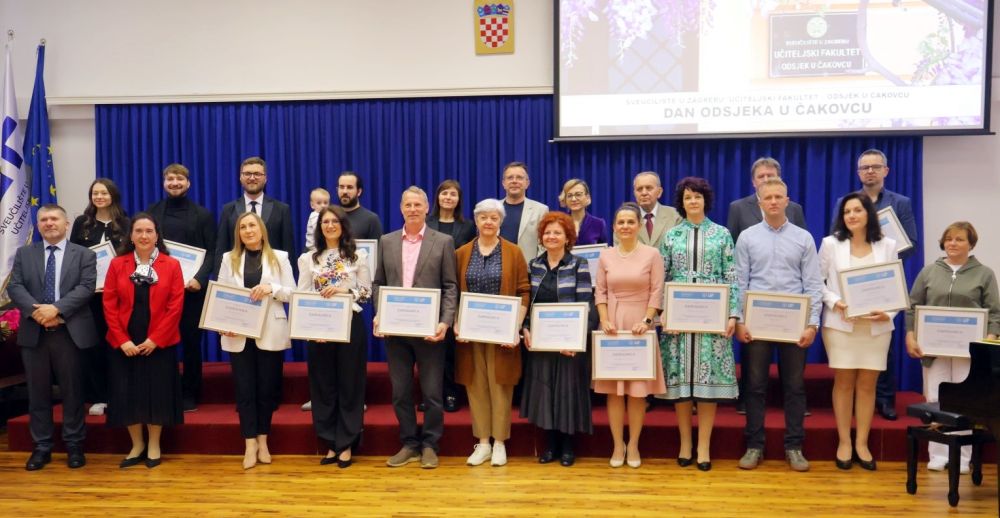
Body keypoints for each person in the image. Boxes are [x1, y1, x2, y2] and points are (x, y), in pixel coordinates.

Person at [734, 178, 823, 472]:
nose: (773, 201)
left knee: (794, 387)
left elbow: (813, 284)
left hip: (793, 324)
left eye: (778, 197)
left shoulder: (803, 238)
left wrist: (812, 324)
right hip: (756, 324)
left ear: (787, 200)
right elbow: (740, 282)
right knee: (755, 386)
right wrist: (739, 320)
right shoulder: (747, 237)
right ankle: (754, 446)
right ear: (759, 202)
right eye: (768, 197)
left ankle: (794, 447)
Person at [373, 186, 459, 470]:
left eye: (417, 205)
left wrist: (445, 322)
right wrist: (380, 314)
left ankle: (431, 444)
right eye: (407, 205)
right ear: (401, 208)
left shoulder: (443, 241)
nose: (412, 209)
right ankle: (409, 443)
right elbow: (378, 284)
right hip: (396, 332)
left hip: (430, 331)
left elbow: (450, 286)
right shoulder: (386, 241)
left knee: (432, 393)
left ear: (426, 208)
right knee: (400, 392)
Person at [657, 177, 739, 472]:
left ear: (706, 200)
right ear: (682, 203)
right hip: (679, 318)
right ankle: (685, 443)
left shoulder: (722, 234)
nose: (693, 201)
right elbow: (663, 277)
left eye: (698, 196)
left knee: (707, 386)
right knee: (681, 385)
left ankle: (703, 445)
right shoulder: (671, 235)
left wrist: (733, 314)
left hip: (711, 317)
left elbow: (731, 276)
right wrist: (663, 312)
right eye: (688, 197)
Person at [905, 221, 1000, 473]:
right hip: (933, 350)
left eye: (959, 239)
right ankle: (937, 455)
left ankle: (962, 458)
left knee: (965, 402)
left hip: (968, 353)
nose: (952, 243)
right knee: (935, 399)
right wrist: (910, 335)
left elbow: (995, 313)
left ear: (971, 244)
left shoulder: (985, 274)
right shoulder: (928, 272)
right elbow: (912, 307)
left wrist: (987, 340)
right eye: (948, 239)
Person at [9, 204, 98, 471]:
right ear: (38, 225)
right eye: (44, 219)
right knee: (37, 394)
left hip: (69, 333)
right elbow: (15, 286)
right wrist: (38, 313)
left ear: (66, 223)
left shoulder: (84, 254)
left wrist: (56, 309)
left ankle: (74, 445)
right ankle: (42, 447)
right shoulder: (24, 253)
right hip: (35, 332)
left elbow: (86, 288)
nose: (49, 223)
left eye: (54, 218)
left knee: (73, 393)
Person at [832, 149, 919, 421]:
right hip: (850, 284)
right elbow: (837, 236)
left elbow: (912, 243)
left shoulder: (900, 202)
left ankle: (885, 399)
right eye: (865, 167)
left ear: (886, 171)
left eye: (875, 167)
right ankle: (854, 403)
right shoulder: (845, 201)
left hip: (882, 283)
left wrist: (881, 258)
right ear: (858, 172)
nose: (870, 171)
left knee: (883, 347)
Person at [818, 193, 898, 471]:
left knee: (867, 385)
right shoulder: (830, 244)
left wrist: (890, 313)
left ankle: (862, 443)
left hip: (876, 327)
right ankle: (844, 442)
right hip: (841, 325)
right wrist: (835, 302)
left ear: (868, 214)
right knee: (844, 383)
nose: (851, 215)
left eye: (857, 210)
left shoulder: (888, 245)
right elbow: (817, 282)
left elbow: (896, 286)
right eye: (847, 211)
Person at [102, 214, 185, 469]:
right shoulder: (118, 264)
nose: (144, 236)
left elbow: (175, 306)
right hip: (125, 342)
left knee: (156, 394)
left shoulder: (172, 265)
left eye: (149, 231)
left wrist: (155, 339)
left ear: (157, 235)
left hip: (159, 342)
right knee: (128, 394)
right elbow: (109, 304)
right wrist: (122, 340)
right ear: (131, 235)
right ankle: (137, 445)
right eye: (138, 231)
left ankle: (154, 444)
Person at [727, 157, 808, 415]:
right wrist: (739, 313)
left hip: (790, 305)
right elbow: (733, 255)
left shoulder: (794, 209)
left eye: (771, 176)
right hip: (756, 306)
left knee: (793, 375)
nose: (766, 180)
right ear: (754, 182)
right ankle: (746, 404)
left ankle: (792, 409)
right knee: (754, 374)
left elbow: (802, 255)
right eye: (761, 177)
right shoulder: (738, 208)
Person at [217, 212, 295, 470]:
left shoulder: (280, 257)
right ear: (238, 233)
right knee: (245, 390)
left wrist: (272, 288)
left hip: (269, 332)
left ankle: (263, 441)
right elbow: (221, 295)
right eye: (243, 227)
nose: (248, 230)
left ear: (262, 230)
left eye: (252, 225)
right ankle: (249, 444)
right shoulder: (228, 258)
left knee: (266, 390)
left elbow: (293, 293)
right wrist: (223, 324)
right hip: (238, 334)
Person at [455, 199, 530, 467]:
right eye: (483, 217)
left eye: (494, 218)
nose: (488, 222)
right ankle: (483, 443)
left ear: (501, 222)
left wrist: (515, 327)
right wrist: (457, 323)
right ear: (476, 221)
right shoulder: (462, 253)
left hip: (502, 334)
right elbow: (454, 292)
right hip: (471, 335)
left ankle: (499, 443)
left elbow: (523, 291)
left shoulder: (514, 252)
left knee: (500, 386)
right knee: (476, 386)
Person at [520, 211, 596, 467]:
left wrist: (574, 340)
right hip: (541, 342)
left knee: (566, 394)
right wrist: (525, 329)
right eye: (547, 232)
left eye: (557, 233)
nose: (551, 236)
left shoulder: (578, 264)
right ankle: (550, 445)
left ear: (567, 237)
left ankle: (567, 446)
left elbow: (585, 303)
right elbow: (528, 303)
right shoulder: (534, 265)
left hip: (568, 344)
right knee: (545, 393)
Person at [297, 206, 371, 468]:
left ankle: (347, 443)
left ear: (343, 225)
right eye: (325, 222)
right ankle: (330, 442)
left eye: (334, 221)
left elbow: (366, 292)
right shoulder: (308, 258)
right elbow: (302, 294)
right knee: (323, 386)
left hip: (350, 325)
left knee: (350, 384)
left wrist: (344, 291)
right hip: (319, 329)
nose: (329, 225)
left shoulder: (358, 255)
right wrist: (310, 329)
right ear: (319, 228)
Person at [594, 202, 666, 469]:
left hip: (640, 326)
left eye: (630, 222)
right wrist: (604, 319)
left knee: (637, 393)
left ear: (639, 225)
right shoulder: (605, 256)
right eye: (621, 222)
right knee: (613, 392)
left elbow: (657, 291)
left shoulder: (652, 254)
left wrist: (647, 321)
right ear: (614, 227)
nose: (625, 226)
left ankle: (633, 444)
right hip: (612, 325)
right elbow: (600, 292)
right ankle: (617, 444)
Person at [146, 163, 217, 412]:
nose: (174, 183)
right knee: (161, 341)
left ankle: (190, 393)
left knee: (191, 343)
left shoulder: (202, 215)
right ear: (164, 183)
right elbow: (145, 248)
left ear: (188, 183)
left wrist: (199, 278)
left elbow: (212, 251)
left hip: (192, 290)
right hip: (159, 290)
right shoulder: (152, 212)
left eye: (179, 179)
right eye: (170, 179)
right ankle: (165, 390)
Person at [69, 178, 129, 417]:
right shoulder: (82, 223)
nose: (99, 197)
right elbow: (73, 256)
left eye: (104, 193)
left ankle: (120, 395)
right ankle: (99, 396)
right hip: (90, 297)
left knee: (117, 344)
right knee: (94, 346)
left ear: (113, 195)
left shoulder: (126, 223)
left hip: (119, 296)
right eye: (95, 193)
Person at [426, 179, 476, 412]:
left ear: (459, 200)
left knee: (450, 348)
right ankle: (430, 395)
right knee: (428, 348)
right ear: (437, 197)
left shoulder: (467, 226)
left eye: (453, 194)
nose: (448, 197)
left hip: (455, 289)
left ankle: (451, 393)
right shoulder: (427, 223)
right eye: (444, 193)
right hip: (429, 290)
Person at [215, 157, 295, 272]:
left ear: (265, 178)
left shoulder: (282, 210)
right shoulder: (228, 210)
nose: (252, 178)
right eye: (247, 174)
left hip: (272, 276)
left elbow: (288, 249)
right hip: (236, 275)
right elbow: (221, 248)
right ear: (240, 178)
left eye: (257, 174)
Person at [498, 161, 548, 263]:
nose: (514, 181)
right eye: (510, 178)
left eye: (519, 177)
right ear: (503, 183)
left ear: (527, 183)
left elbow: (544, 245)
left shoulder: (541, 210)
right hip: (497, 269)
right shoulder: (493, 209)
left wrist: (537, 268)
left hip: (528, 269)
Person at [630, 171, 681, 249]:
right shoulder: (625, 219)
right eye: (639, 189)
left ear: (659, 192)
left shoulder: (676, 216)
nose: (644, 193)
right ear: (634, 193)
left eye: (649, 188)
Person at [337, 171, 384, 241]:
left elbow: (378, 247)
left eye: (349, 187)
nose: (344, 191)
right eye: (341, 187)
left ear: (359, 192)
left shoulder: (371, 219)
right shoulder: (331, 217)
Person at [559, 178, 608, 245]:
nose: (573, 199)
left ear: (587, 197)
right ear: (565, 200)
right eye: (569, 196)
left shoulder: (599, 224)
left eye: (578, 194)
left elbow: (603, 249)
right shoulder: (559, 223)